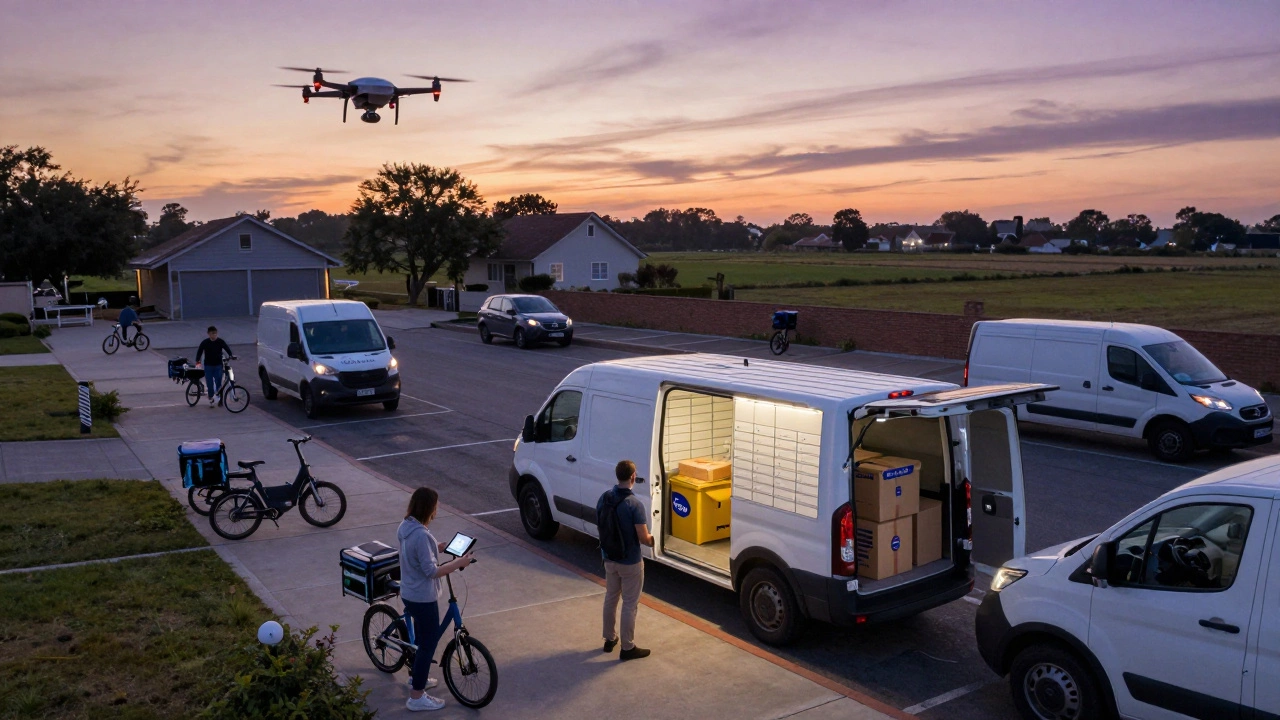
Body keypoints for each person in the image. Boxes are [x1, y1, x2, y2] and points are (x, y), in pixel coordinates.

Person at [398, 487, 475, 712]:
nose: (437, 509)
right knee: (427, 646)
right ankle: (416, 696)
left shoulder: (406, 526)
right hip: (423, 597)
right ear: (430, 508)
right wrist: (458, 564)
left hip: (409, 592)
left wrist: (438, 548)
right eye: (436, 505)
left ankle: (416, 679)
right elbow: (431, 571)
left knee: (423, 641)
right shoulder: (421, 535)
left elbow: (416, 555)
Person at [597, 459, 654, 661]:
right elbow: (643, 538)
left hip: (609, 558)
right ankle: (628, 648)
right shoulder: (634, 505)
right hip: (630, 562)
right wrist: (653, 540)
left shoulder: (605, 498)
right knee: (630, 603)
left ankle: (609, 639)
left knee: (611, 597)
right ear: (633, 477)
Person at [195, 326, 233, 407]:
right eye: (212, 334)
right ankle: (211, 397)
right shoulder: (205, 342)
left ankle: (220, 399)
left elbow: (227, 349)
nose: (214, 335)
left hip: (218, 365)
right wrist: (198, 361)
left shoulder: (220, 341)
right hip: (208, 365)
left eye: (215, 333)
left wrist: (231, 355)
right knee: (209, 383)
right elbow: (200, 352)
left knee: (219, 383)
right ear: (208, 334)